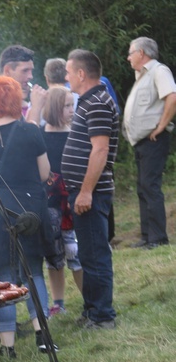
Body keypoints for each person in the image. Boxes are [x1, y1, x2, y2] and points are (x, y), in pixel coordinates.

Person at [0, 75, 54, 359]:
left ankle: (8, 347)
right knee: (34, 271)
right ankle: (43, 336)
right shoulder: (30, 131)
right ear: (17, 100)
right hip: (29, 211)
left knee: (3, 277)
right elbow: (44, 173)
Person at [62, 49, 119, 329]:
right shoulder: (89, 101)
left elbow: (100, 150)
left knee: (95, 254)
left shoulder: (96, 102)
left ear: (81, 74)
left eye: (69, 72)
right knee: (88, 253)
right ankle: (92, 309)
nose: (66, 77)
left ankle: (102, 316)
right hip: (85, 191)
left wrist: (85, 192)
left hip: (92, 193)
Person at [123, 37, 176, 249]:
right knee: (143, 187)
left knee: (150, 187)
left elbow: (172, 98)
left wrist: (161, 126)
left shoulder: (158, 71)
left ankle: (158, 238)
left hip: (153, 140)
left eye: (131, 52)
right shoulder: (141, 75)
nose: (128, 57)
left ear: (142, 52)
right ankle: (147, 236)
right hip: (142, 141)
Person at [42, 87, 84, 316]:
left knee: (75, 252)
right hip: (51, 205)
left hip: (73, 202)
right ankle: (58, 302)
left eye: (72, 105)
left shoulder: (76, 132)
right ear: (55, 107)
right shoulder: (41, 134)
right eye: (67, 106)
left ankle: (89, 299)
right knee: (54, 256)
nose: (71, 110)